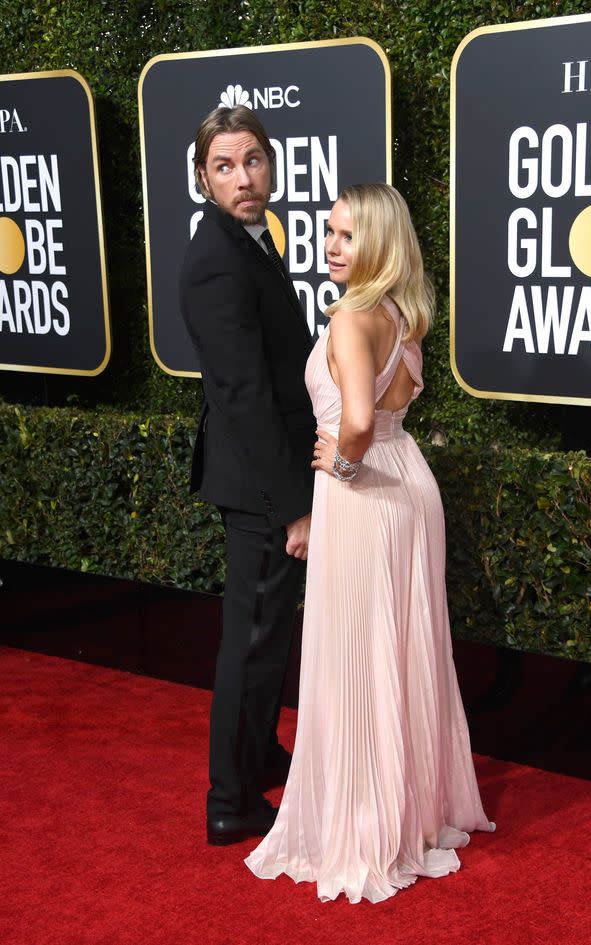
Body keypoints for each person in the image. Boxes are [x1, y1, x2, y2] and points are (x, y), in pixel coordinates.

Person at [245, 183, 495, 902]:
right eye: (329, 231)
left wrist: (343, 466)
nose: (330, 245)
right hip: (407, 482)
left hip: (364, 486)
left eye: (348, 236)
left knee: (358, 654)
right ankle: (407, 810)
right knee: (404, 647)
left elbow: (354, 421)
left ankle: (364, 822)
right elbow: (384, 412)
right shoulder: (400, 313)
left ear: (380, 243)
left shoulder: (355, 315)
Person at [179, 106, 314, 846]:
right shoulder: (215, 258)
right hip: (261, 486)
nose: (243, 177)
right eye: (225, 166)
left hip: (268, 476)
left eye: (254, 161)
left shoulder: (249, 242)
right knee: (253, 639)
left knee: (267, 640)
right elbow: (243, 395)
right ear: (204, 176)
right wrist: (294, 505)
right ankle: (228, 799)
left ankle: (258, 753)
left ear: (272, 164)